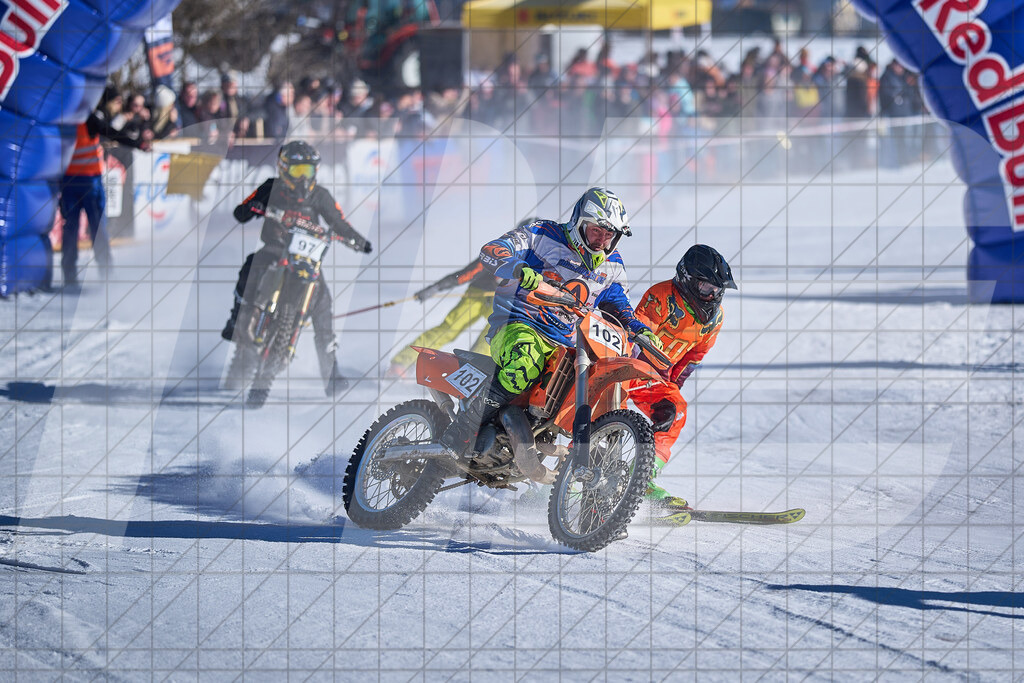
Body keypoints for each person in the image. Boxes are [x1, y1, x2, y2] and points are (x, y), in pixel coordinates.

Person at [439, 187, 663, 455]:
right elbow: (493, 249)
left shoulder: (613, 266)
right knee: (525, 362)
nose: (601, 240)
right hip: (519, 324)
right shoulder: (542, 234)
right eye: (596, 231)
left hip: (567, 343)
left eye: (609, 234)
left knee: (584, 385)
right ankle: (462, 431)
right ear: (579, 223)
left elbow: (620, 306)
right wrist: (518, 268)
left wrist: (639, 330)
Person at [221, 140, 373, 395]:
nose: (303, 178)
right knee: (251, 265)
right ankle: (237, 320)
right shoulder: (271, 188)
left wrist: (358, 240)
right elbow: (241, 212)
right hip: (276, 250)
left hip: (306, 257)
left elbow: (339, 222)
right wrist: (255, 207)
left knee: (322, 300)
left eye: (308, 171)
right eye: (297, 171)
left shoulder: (320, 195)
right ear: (283, 169)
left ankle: (331, 373)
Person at [632, 244, 736, 509]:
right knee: (603, 412)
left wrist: (671, 389)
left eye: (716, 291)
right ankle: (571, 473)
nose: (711, 297)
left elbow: (693, 357)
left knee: (676, 410)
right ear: (687, 278)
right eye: (705, 288)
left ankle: (642, 477)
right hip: (627, 368)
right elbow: (637, 334)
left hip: (654, 379)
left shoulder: (715, 319)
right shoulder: (662, 296)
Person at [388, 217, 542, 378]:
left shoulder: (541, 261)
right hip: (479, 293)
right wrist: (436, 287)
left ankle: (471, 375)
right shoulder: (502, 251)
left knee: (490, 340)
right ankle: (401, 363)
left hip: (505, 301)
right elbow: (466, 274)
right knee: (449, 328)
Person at [59, 85, 150, 289]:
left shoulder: (61, 117)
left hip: (69, 182)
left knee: (71, 229)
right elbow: (112, 133)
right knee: (97, 229)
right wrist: (138, 144)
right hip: (89, 180)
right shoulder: (89, 117)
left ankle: (70, 276)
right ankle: (105, 273)